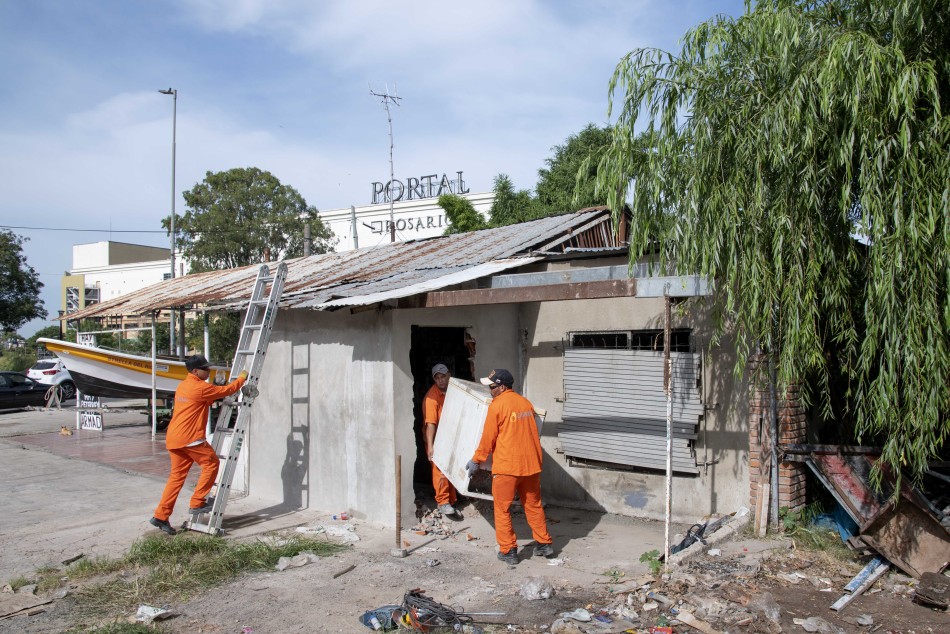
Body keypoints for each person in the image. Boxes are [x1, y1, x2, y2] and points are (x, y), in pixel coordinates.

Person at [149, 355, 248, 535]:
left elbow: (204, 400)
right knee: (211, 464)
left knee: (176, 478)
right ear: (196, 371)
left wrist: (215, 391)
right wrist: (242, 378)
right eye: (205, 369)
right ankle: (197, 503)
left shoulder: (183, 386)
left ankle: (161, 516)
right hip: (190, 438)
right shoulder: (201, 387)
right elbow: (227, 390)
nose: (208, 372)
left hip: (174, 438)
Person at [466, 368, 554, 565]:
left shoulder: (497, 406)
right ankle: (544, 544)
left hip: (507, 467)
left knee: (502, 508)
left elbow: (487, 439)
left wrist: (476, 460)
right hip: (531, 466)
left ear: (502, 387)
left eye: (492, 387)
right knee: (533, 506)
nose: (490, 390)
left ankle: (508, 551)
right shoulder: (525, 403)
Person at [423, 363, 458, 516]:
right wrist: (431, 446)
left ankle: (452, 499)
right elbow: (431, 424)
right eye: (437, 378)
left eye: (443, 376)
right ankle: (443, 502)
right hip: (436, 437)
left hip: (449, 435)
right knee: (440, 469)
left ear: (449, 375)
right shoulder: (431, 397)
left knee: (450, 467)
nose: (441, 380)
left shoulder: (454, 390)